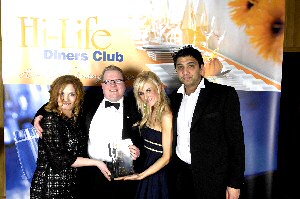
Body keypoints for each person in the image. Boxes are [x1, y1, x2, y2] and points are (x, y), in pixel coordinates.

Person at [33, 65, 143, 199]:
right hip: (88, 174)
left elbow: (146, 138)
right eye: (108, 81)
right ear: (102, 85)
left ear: (124, 84)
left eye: (118, 80)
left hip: (122, 173)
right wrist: (38, 116)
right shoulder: (90, 101)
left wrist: (138, 150)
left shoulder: (137, 107)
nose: (113, 85)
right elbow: (58, 103)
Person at [168, 45, 245, 199]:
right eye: (180, 67)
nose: (185, 71)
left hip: (213, 179)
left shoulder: (224, 95)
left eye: (191, 66)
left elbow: (236, 142)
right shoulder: (173, 99)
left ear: (201, 68)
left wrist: (235, 183)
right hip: (181, 176)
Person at [30, 75, 111, 199]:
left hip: (71, 187)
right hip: (50, 188)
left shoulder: (75, 118)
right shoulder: (51, 119)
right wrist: (97, 163)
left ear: (78, 97)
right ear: (55, 95)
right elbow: (59, 159)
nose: (66, 99)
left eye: (71, 94)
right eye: (61, 94)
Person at [116, 71, 173, 199]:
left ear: (158, 88)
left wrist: (141, 175)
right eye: (141, 93)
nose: (145, 97)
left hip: (158, 172)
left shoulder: (166, 115)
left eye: (148, 90)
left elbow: (167, 157)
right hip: (146, 166)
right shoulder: (149, 109)